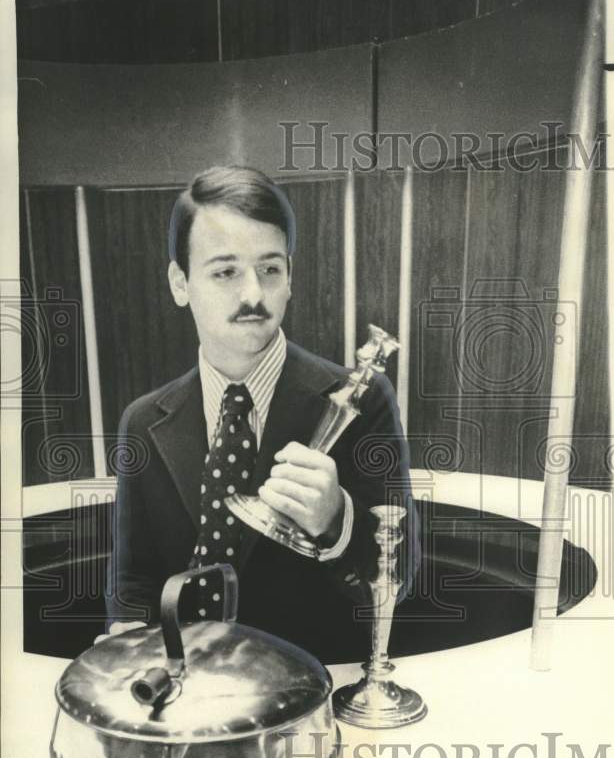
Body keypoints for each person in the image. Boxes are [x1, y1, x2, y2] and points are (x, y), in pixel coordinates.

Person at [103, 164, 419, 663]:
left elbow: (398, 582)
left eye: (270, 269)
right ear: (180, 283)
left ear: (289, 278)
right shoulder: (142, 422)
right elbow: (133, 578)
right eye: (225, 271)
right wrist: (124, 636)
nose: (253, 294)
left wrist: (336, 521)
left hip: (304, 696)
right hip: (184, 697)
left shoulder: (363, 399)